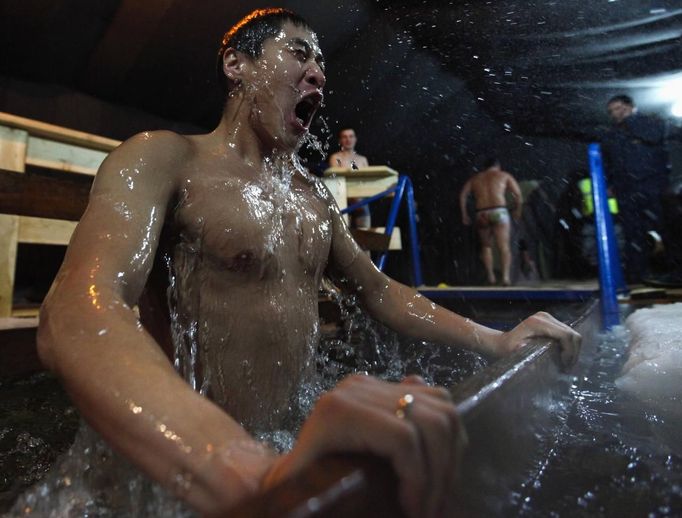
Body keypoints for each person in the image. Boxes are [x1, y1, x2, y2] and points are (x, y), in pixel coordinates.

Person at [36, 8, 581, 517]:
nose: (318, 73)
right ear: (236, 65)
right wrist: (244, 468)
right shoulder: (163, 158)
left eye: (321, 62)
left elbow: (381, 291)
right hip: (162, 474)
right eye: (299, 53)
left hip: (272, 449)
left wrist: (500, 340)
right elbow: (79, 311)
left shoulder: (313, 198)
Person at [601, 94, 676, 283]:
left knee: (666, 229)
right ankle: (637, 275)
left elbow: (654, 137)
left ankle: (675, 271)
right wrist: (610, 183)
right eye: (612, 111)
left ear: (630, 106)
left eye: (619, 108)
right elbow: (609, 162)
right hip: (626, 190)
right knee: (632, 233)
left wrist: (632, 120)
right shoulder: (612, 135)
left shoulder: (650, 123)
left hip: (653, 186)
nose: (616, 114)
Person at [459, 158, 523, 286]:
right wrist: (517, 210)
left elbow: (463, 195)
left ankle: (491, 277)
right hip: (499, 211)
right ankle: (505, 278)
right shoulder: (504, 175)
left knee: (486, 246)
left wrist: (464, 214)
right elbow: (518, 194)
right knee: (503, 246)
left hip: (482, 213)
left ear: (484, 167)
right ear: (497, 166)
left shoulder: (475, 179)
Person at [328, 128, 372, 228]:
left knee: (364, 234)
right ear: (340, 141)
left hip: (361, 203)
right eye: (345, 137)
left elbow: (368, 183)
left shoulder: (362, 160)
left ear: (355, 139)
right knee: (343, 235)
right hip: (343, 201)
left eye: (351, 136)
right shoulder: (335, 158)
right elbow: (337, 181)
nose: (348, 139)